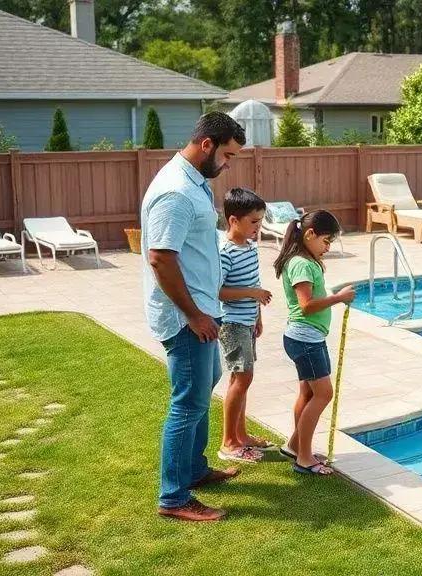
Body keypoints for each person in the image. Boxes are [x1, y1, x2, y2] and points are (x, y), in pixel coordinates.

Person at [141, 112, 245, 521]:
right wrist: (195, 315)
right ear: (207, 145)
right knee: (188, 402)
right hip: (187, 318)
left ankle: (194, 470)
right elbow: (161, 260)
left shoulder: (193, 183)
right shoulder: (176, 192)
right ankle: (173, 498)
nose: (228, 164)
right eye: (228, 155)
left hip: (203, 310)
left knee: (206, 385)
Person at [274, 210, 355, 475]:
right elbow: (306, 305)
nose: (328, 247)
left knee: (308, 393)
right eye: (326, 241)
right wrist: (338, 298)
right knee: (323, 393)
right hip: (305, 339)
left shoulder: (305, 260)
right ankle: (304, 459)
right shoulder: (301, 263)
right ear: (309, 234)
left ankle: (296, 446)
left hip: (307, 338)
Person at [217, 187, 273, 464]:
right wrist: (253, 294)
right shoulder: (226, 252)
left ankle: (241, 435)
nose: (258, 227)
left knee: (241, 380)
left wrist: (257, 318)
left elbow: (253, 283)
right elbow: (218, 292)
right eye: (253, 222)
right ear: (233, 220)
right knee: (242, 378)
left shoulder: (249, 248)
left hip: (247, 323)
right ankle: (228, 442)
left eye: (260, 222)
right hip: (232, 324)